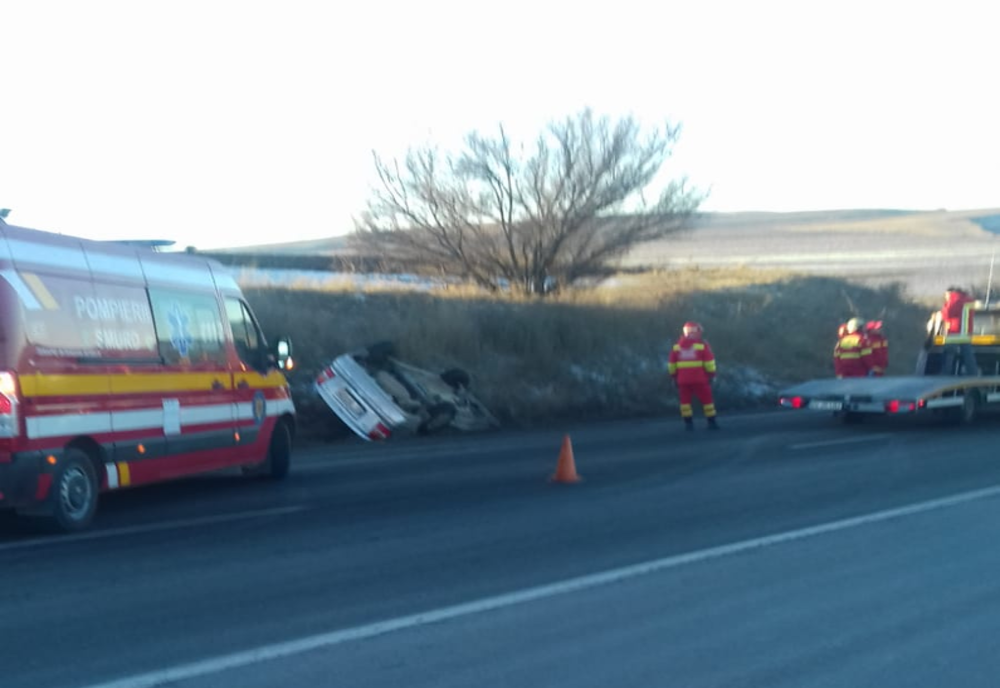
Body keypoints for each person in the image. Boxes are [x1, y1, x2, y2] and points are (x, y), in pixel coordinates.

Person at [667, 321, 719, 430]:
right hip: (700, 380)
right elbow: (709, 363)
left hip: (682, 381)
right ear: (695, 332)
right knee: (707, 401)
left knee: (685, 402)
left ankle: (688, 424)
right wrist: (712, 375)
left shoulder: (676, 347)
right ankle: (712, 423)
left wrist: (673, 377)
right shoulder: (702, 346)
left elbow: (671, 364)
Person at [938, 286, 979, 376]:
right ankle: (974, 375)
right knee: (968, 355)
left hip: (955, 332)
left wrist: (946, 305)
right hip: (966, 332)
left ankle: (945, 375)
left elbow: (947, 314)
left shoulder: (955, 299)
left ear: (950, 293)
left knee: (948, 354)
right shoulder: (968, 299)